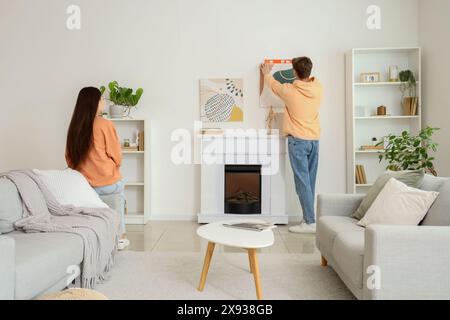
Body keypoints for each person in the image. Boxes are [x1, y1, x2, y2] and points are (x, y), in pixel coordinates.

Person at [260, 57, 323, 234]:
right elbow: (310, 80)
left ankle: (310, 222)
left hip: (298, 142)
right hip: (314, 141)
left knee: (302, 183)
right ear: (310, 71)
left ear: (294, 72)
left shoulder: (290, 91)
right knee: (309, 182)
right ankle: (309, 219)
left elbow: (273, 85)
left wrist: (266, 73)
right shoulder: (318, 87)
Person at [65, 87, 130, 249]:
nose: (104, 102)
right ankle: (120, 235)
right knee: (120, 191)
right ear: (94, 103)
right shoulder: (104, 124)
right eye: (102, 99)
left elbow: (69, 159)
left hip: (84, 186)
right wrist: (112, 168)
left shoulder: (74, 126)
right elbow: (117, 156)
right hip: (107, 183)